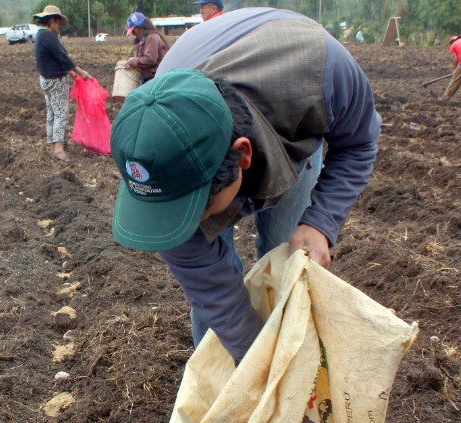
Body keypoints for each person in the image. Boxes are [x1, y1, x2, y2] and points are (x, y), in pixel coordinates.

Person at [109, 8, 380, 362]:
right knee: (215, 314)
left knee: (288, 260)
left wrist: (320, 223)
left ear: (243, 158)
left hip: (288, 124)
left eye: (197, 207)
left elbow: (359, 143)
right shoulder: (160, 152)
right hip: (215, 122)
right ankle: (222, 388)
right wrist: (253, 371)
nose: (186, 226)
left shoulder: (324, 72)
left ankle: (293, 354)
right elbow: (215, 294)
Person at [33, 5, 92, 162]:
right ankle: (59, 149)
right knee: (60, 113)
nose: (59, 27)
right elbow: (63, 57)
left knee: (52, 112)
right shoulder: (49, 36)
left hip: (46, 79)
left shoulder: (40, 35)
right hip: (55, 81)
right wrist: (80, 72)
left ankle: (53, 145)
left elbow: (53, 59)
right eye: (58, 23)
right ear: (52, 20)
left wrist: (69, 71)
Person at [124, 12, 170, 84]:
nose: (132, 33)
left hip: (157, 80)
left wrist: (133, 60)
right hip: (148, 79)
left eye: (133, 30)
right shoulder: (141, 40)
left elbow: (150, 59)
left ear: (140, 27)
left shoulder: (152, 38)